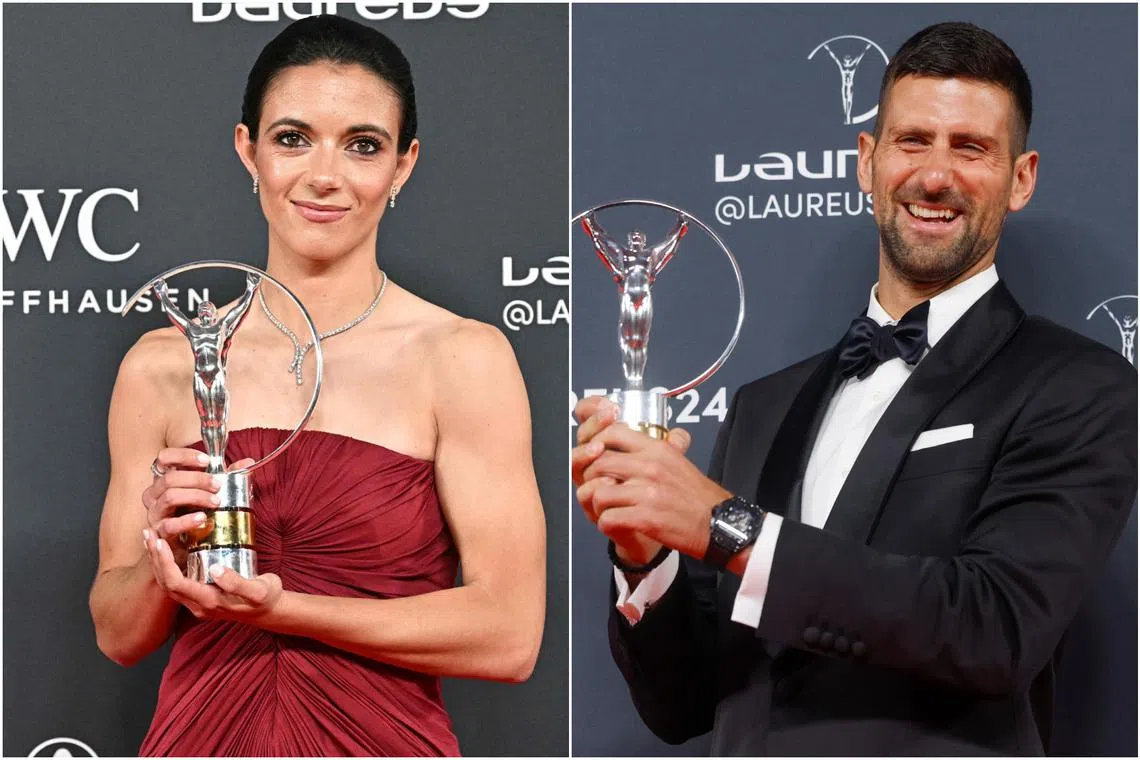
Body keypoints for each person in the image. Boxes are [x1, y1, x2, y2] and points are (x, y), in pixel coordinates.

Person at [573, 22, 1136, 756]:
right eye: (912, 141)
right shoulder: (764, 407)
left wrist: (727, 526)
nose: (935, 176)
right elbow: (682, 705)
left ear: (1021, 178)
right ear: (867, 161)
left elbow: (996, 630)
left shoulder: (1076, 385)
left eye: (971, 148)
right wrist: (644, 554)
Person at [89, 15, 545, 757]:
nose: (324, 175)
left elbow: (509, 635)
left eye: (363, 145)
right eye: (293, 138)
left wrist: (283, 611)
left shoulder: (461, 358)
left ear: (403, 165)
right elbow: (117, 635)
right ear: (249, 150)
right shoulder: (164, 365)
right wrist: (158, 560)